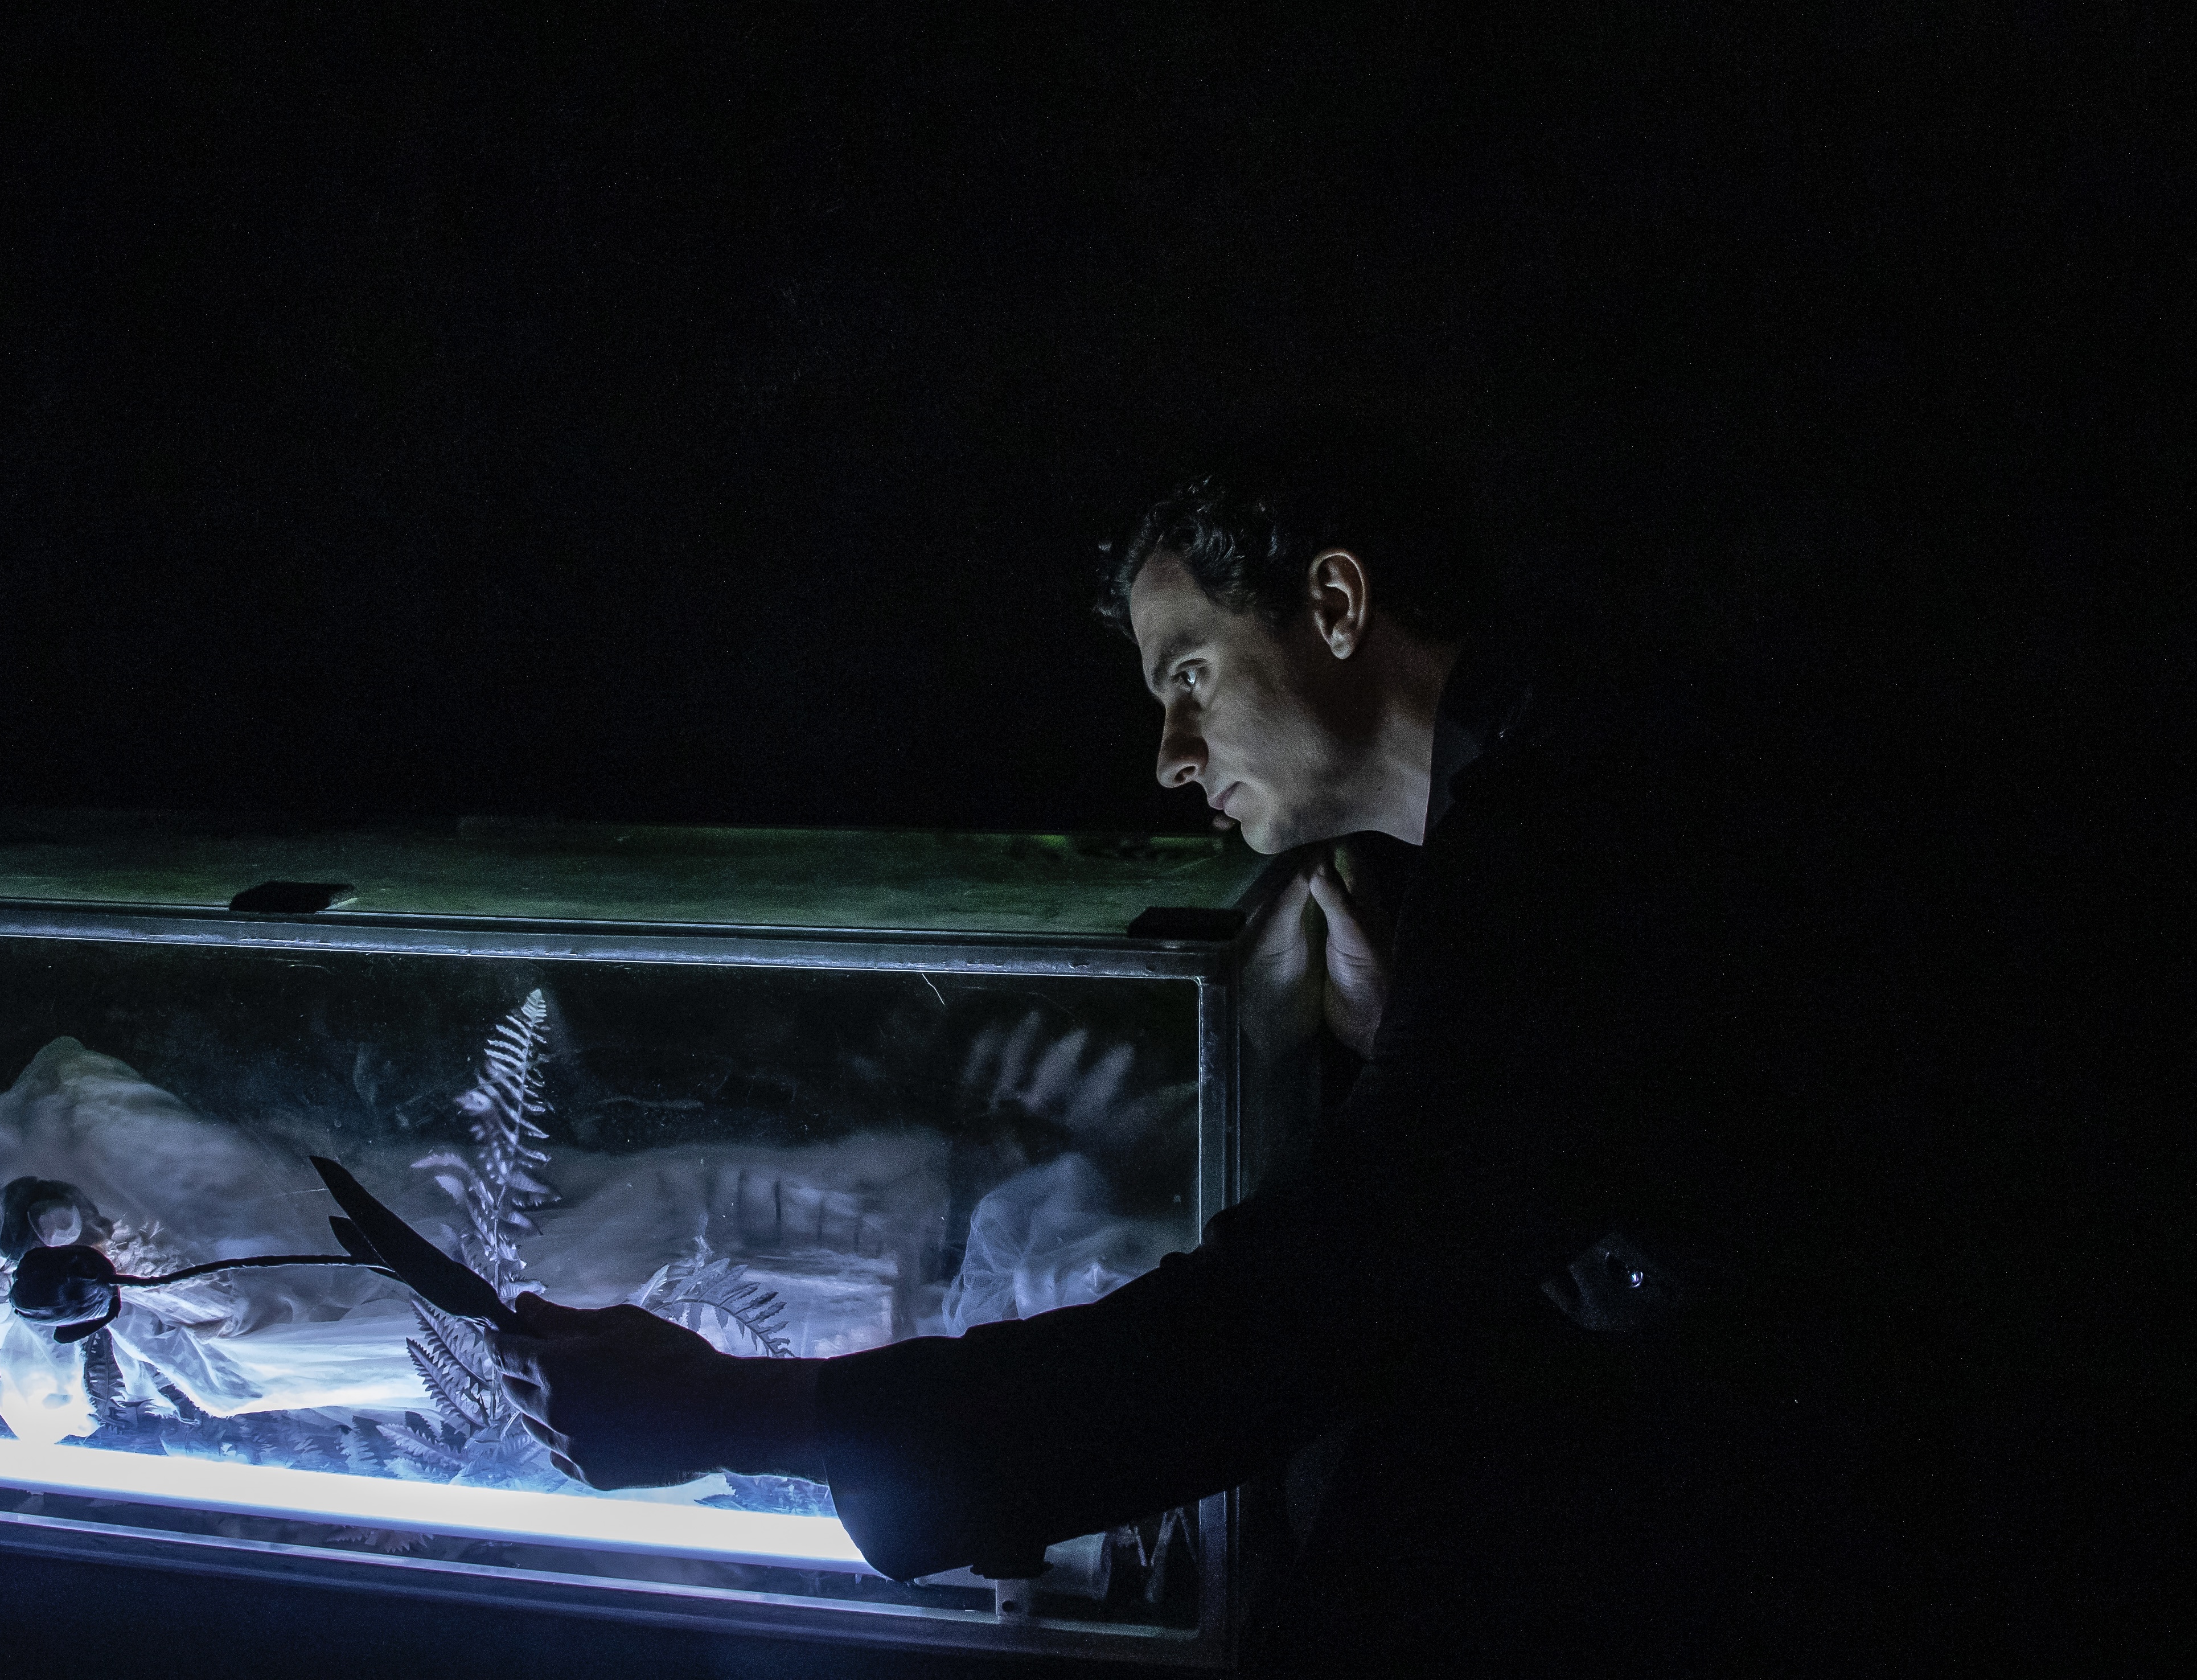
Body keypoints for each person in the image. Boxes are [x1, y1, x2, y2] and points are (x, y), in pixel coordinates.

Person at [492, 424, 1911, 1671]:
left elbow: (1294, 1320)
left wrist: (745, 1409)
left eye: (1193, 672)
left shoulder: (1563, 839)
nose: (1171, 752)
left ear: (1336, 604)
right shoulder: (1574, 785)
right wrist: (1412, 1047)